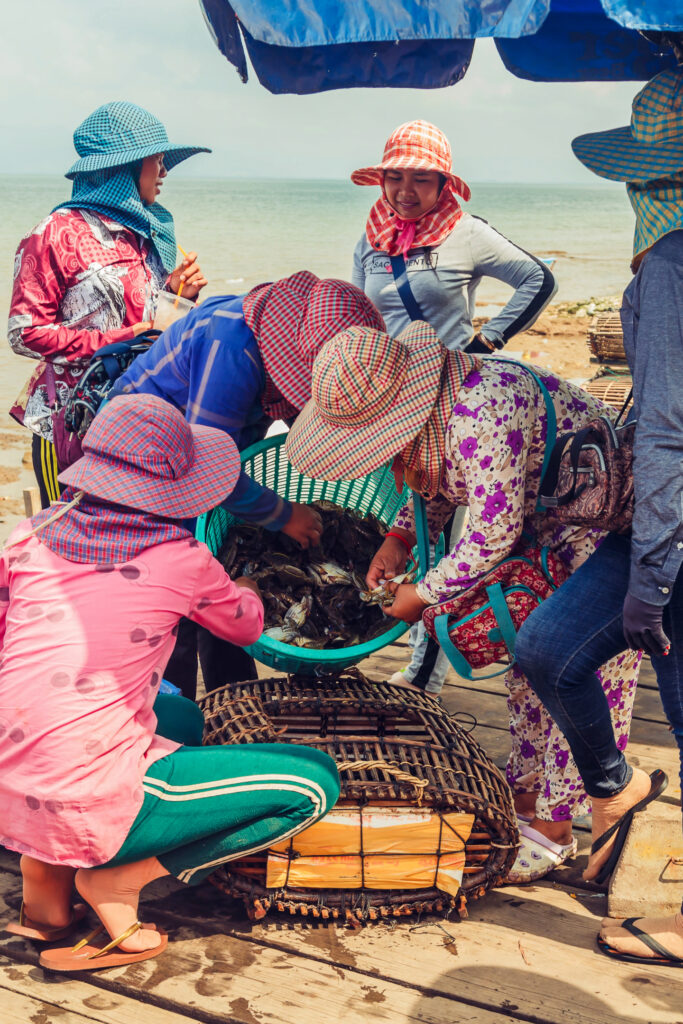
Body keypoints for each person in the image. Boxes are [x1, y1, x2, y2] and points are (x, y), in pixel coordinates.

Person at [284, 322, 641, 883]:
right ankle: (525, 791)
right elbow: (442, 486)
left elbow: (492, 535)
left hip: (602, 529)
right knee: (528, 661)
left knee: (585, 672)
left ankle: (559, 824)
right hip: (542, 530)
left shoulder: (483, 407)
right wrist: (397, 539)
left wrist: (420, 595)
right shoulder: (441, 407)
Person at [0, 394, 339, 972]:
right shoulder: (180, 556)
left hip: (11, 777)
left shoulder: (28, 536)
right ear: (174, 492)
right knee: (314, 783)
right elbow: (248, 623)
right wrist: (250, 583)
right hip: (86, 792)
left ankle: (45, 897)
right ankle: (116, 880)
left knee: (183, 719)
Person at [513, 69, 683, 966]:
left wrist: (653, 575)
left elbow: (665, 429)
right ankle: (616, 797)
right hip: (654, 526)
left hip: (669, 531)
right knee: (546, 649)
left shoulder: (669, 261)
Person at [351, 120, 557, 695]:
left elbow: (537, 279)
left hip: (457, 402)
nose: (405, 192)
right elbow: (357, 311)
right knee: (414, 518)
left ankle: (429, 665)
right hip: (391, 403)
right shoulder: (372, 234)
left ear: (445, 183)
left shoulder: (464, 233)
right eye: (395, 177)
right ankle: (423, 650)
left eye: (421, 179)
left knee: (460, 532)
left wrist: (488, 341)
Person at [111, 269, 385, 697]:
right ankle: (168, 719)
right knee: (175, 595)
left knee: (222, 572)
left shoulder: (281, 333)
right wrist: (282, 514)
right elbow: (201, 464)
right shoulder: (233, 346)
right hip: (143, 464)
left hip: (203, 459)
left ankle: (234, 698)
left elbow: (246, 446)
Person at [8, 101, 209, 509]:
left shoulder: (145, 232)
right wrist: (118, 339)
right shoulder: (54, 234)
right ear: (126, 168)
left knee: (127, 538)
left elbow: (149, 322)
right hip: (67, 422)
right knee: (66, 536)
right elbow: (24, 333)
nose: (165, 172)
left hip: (135, 420)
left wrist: (176, 296)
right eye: (157, 160)